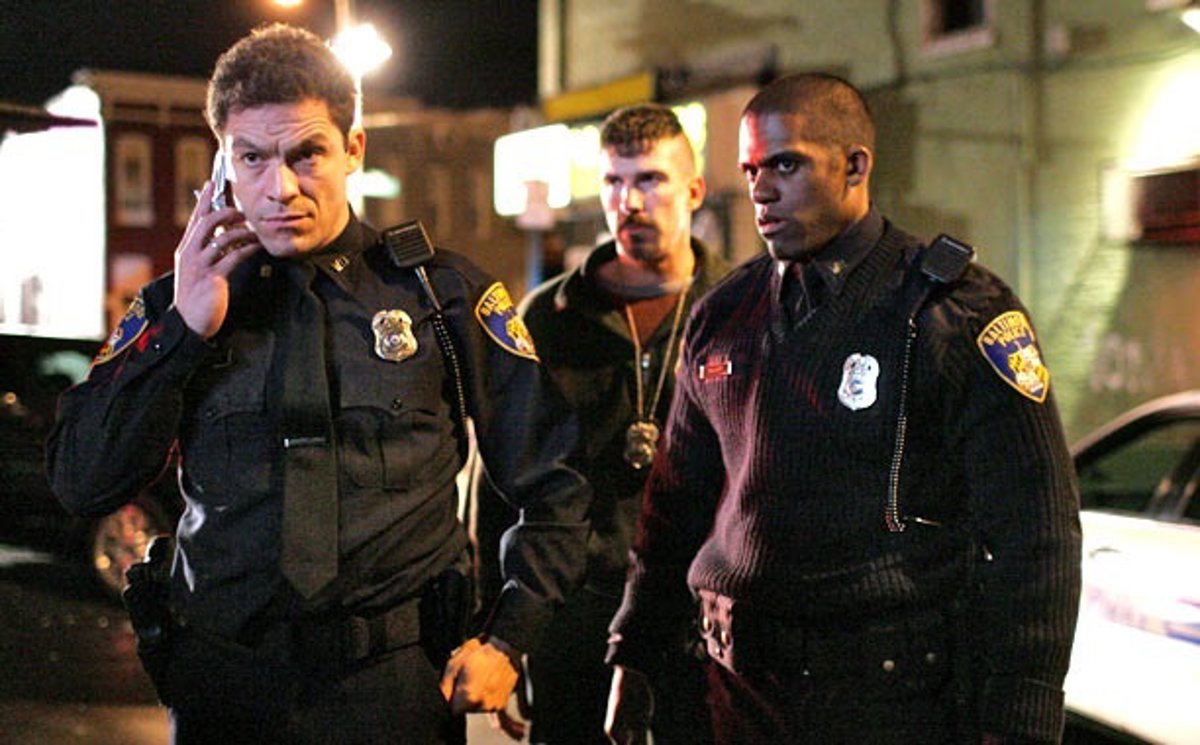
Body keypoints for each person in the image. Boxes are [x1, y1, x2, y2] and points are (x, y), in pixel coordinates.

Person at [47, 23, 589, 744]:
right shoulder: (179, 305)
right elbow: (82, 481)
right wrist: (183, 332)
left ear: (353, 148)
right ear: (223, 161)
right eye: (252, 157)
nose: (280, 188)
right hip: (223, 688)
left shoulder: (441, 296)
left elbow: (554, 486)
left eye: (307, 154)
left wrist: (509, 638)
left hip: (391, 689)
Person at [604, 73, 1082, 744]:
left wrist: (1022, 714)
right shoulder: (723, 315)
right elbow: (674, 509)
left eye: (786, 165)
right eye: (750, 170)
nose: (761, 190)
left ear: (855, 166)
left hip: (891, 701)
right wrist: (635, 651)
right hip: (739, 697)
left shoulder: (950, 311)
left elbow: (1036, 529)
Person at [473, 104, 728, 744]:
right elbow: (501, 482)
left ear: (694, 190)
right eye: (614, 181)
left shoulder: (735, 307)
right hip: (576, 617)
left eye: (650, 180)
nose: (629, 202)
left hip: (699, 617)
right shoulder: (551, 314)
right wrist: (502, 632)